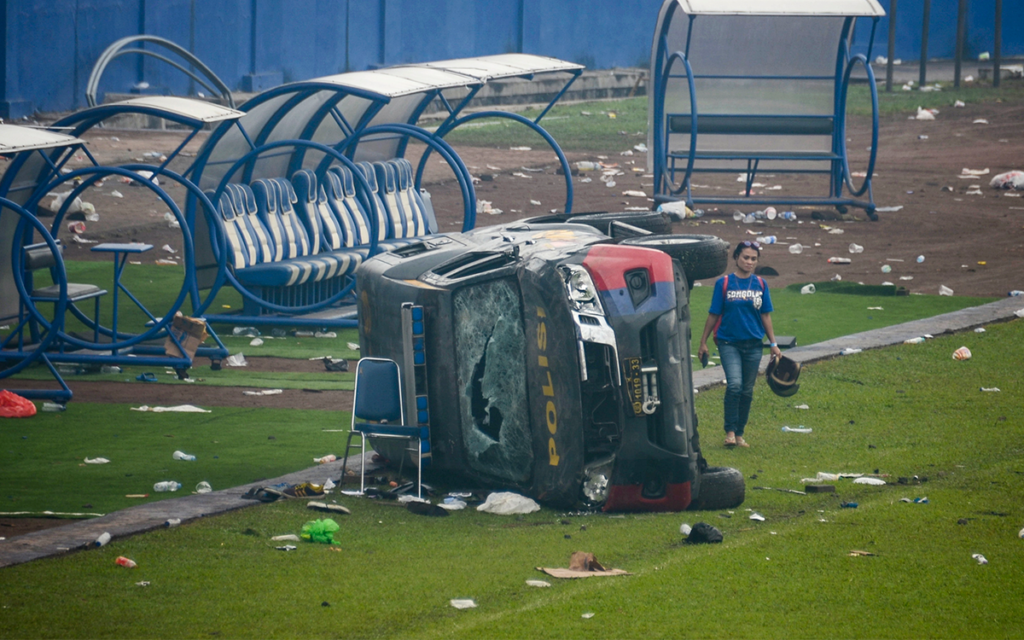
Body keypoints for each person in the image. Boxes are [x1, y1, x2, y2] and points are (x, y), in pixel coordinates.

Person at [697, 241, 782, 448]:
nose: (749, 262)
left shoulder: (761, 284)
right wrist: (703, 342)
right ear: (736, 258)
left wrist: (773, 343)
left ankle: (740, 434)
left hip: (754, 345)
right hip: (729, 343)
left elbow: (765, 315)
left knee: (747, 390)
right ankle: (730, 432)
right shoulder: (724, 283)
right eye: (745, 257)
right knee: (734, 385)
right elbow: (714, 313)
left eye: (753, 259)